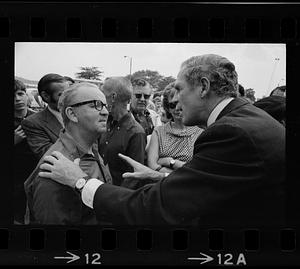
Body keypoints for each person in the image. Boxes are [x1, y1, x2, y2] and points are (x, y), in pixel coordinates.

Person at [39, 54, 285, 226]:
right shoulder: (245, 119)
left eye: (178, 89)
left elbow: (155, 208)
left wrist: (80, 182)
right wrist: (163, 177)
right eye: (94, 105)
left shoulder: (231, 132)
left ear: (203, 87)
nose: (174, 100)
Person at [24, 83, 112, 225]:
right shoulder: (55, 168)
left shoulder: (91, 148)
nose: (105, 112)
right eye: (95, 105)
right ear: (72, 114)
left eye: (105, 105)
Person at [98, 77, 146, 186]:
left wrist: (117, 199)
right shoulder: (105, 123)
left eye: (103, 94)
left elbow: (134, 176)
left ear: (113, 97)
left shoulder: (136, 133)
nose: (100, 99)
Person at [147, 82, 203, 173]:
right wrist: (182, 170)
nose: (177, 108)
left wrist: (171, 162)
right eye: (172, 105)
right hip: (160, 184)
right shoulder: (159, 132)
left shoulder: (200, 133)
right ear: (167, 108)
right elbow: (152, 165)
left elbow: (198, 169)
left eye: (180, 103)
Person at [22, 74, 69, 159]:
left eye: (69, 93)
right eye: (62, 94)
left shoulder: (81, 114)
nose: (69, 98)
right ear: (46, 96)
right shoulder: (33, 123)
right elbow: (49, 155)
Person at [14, 79, 37, 224]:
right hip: (14, 175)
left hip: (36, 172)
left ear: (26, 95)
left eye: (20, 93)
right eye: (12, 95)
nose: (17, 99)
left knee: (37, 212)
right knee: (16, 213)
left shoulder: (37, 118)